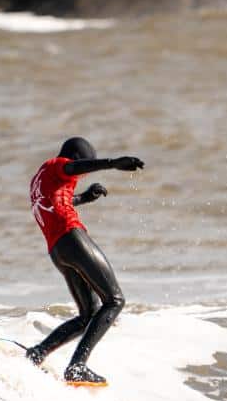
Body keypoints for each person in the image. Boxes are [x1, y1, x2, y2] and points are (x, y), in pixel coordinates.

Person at [26, 137, 145, 384]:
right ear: (77, 158)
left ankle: (37, 353)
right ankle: (77, 366)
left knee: (87, 314)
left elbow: (55, 201)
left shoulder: (40, 178)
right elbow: (72, 167)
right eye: (85, 166)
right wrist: (113, 163)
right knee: (115, 300)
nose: (82, 174)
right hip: (71, 238)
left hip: (57, 251)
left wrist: (85, 198)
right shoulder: (59, 165)